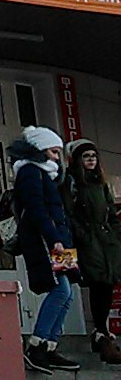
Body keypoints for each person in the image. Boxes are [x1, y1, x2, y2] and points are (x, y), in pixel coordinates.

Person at [9, 125, 80, 374]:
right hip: (46, 240)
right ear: (39, 149)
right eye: (53, 152)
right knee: (61, 290)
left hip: (57, 239)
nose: (57, 158)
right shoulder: (30, 171)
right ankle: (37, 344)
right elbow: (36, 208)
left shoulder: (44, 174)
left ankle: (49, 346)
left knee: (68, 293)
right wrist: (54, 238)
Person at [63, 140, 121, 364]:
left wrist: (115, 236)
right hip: (87, 242)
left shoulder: (101, 184)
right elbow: (67, 214)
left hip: (106, 241)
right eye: (86, 156)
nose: (91, 160)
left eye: (93, 156)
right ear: (77, 160)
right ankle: (100, 333)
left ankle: (101, 333)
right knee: (96, 283)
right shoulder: (71, 182)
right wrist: (84, 236)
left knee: (107, 283)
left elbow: (111, 213)